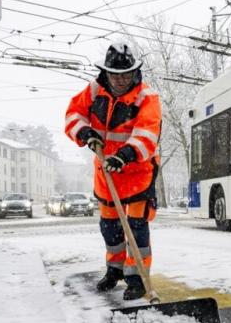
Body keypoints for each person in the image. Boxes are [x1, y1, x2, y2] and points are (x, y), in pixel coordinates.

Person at [64, 43, 162, 300]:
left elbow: (148, 134)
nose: (120, 80)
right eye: (116, 75)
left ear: (134, 73)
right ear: (106, 73)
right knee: (110, 228)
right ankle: (115, 270)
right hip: (106, 174)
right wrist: (85, 132)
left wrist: (125, 155)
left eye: (126, 75)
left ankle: (137, 279)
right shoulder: (95, 90)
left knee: (136, 227)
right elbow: (73, 114)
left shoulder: (146, 97)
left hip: (137, 173)